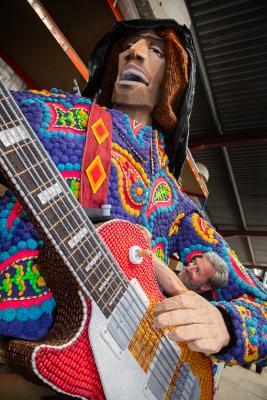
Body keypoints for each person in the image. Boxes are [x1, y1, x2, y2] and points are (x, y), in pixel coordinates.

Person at [0, 18, 266, 396]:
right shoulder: (53, 115)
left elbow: (260, 303)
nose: (134, 52)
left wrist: (224, 325)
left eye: (155, 50)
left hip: (126, 376)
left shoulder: (173, 199)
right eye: (127, 46)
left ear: (172, 81)